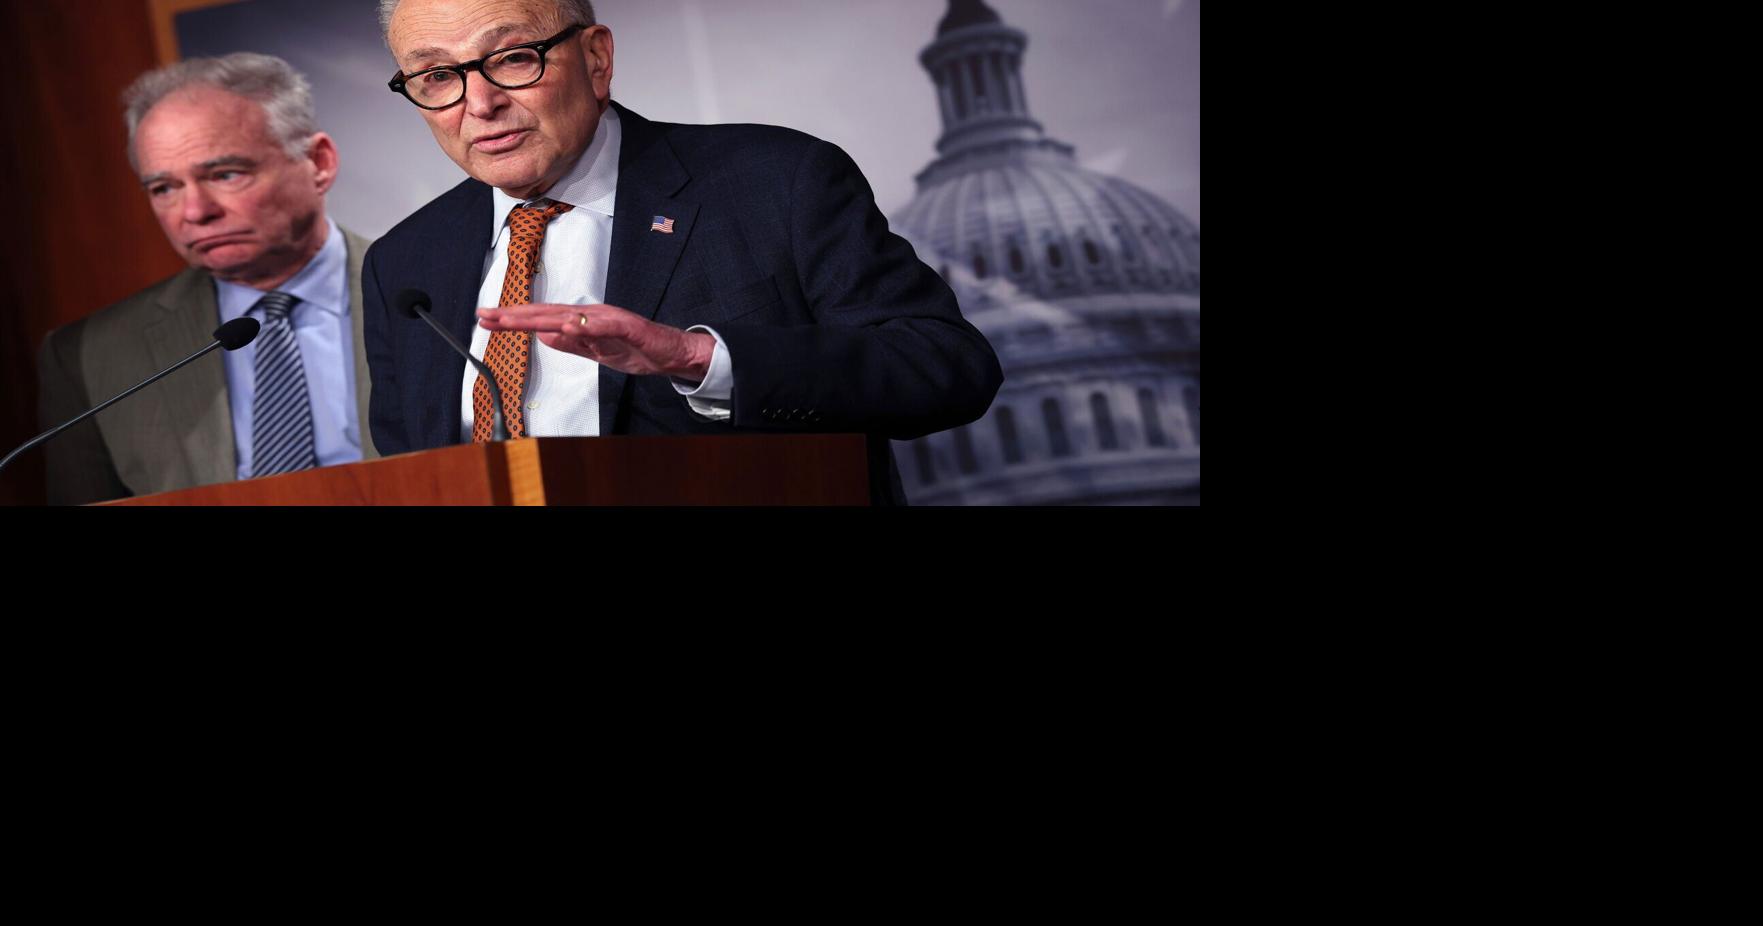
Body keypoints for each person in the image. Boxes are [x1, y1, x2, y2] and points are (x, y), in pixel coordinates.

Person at [364, 0, 1002, 504]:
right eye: (437, 76)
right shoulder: (402, 262)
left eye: (512, 58)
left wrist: (697, 358)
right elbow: (412, 469)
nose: (480, 104)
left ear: (596, 58)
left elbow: (947, 367)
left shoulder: (775, 181)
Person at [37, 53, 378, 505]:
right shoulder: (89, 354)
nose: (195, 212)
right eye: (164, 188)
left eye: (225, 174)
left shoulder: (439, 296)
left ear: (319, 162)